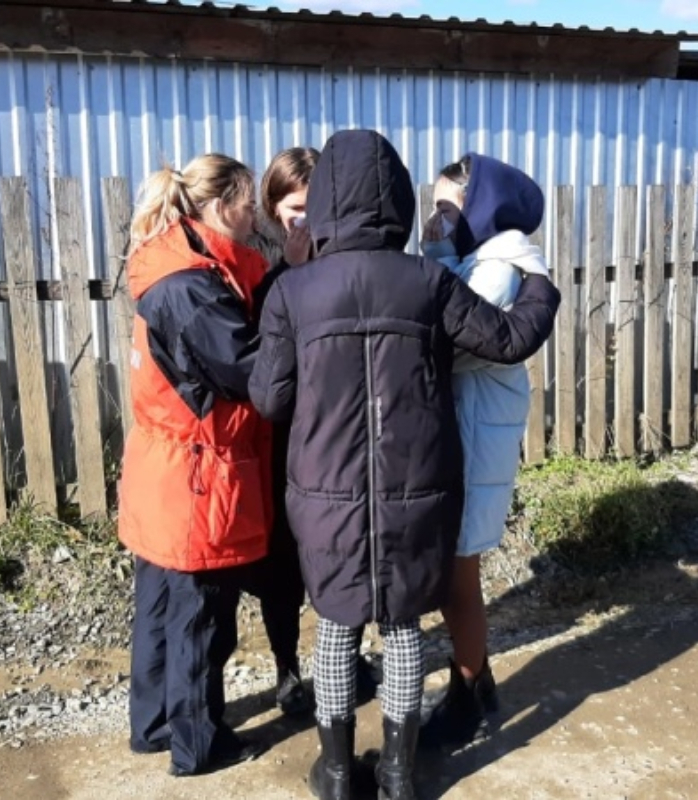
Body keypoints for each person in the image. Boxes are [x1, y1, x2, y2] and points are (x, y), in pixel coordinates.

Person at [248, 129, 560, 800]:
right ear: (395, 196)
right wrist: (540, 287)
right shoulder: (427, 281)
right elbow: (507, 340)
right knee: (402, 624)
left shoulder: (293, 293)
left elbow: (270, 400)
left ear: (327, 198)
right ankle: (397, 772)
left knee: (336, 625)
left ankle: (335, 772)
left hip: (323, 491)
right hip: (418, 489)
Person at [118, 153, 271, 777]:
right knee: (201, 618)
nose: (255, 212)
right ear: (218, 205)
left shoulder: (175, 267)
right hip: (197, 474)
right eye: (248, 200)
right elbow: (249, 372)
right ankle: (199, 743)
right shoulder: (193, 287)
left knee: (160, 607)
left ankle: (153, 725)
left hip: (166, 465)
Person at [416, 154, 549, 750]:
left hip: (473, 439)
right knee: (454, 573)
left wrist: (437, 260)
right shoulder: (478, 260)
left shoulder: (497, 268)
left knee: (457, 579)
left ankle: (466, 699)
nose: (437, 217)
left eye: (449, 206)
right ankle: (483, 682)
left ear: (484, 207)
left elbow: (452, 342)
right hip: (469, 430)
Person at [244, 147, 383, 718]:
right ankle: (286, 668)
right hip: (278, 433)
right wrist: (292, 270)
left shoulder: (346, 247)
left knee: (335, 548)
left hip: (335, 430)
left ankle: (342, 660)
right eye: (293, 208)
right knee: (281, 560)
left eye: (313, 208)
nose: (304, 220)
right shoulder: (256, 257)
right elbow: (256, 338)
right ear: (272, 206)